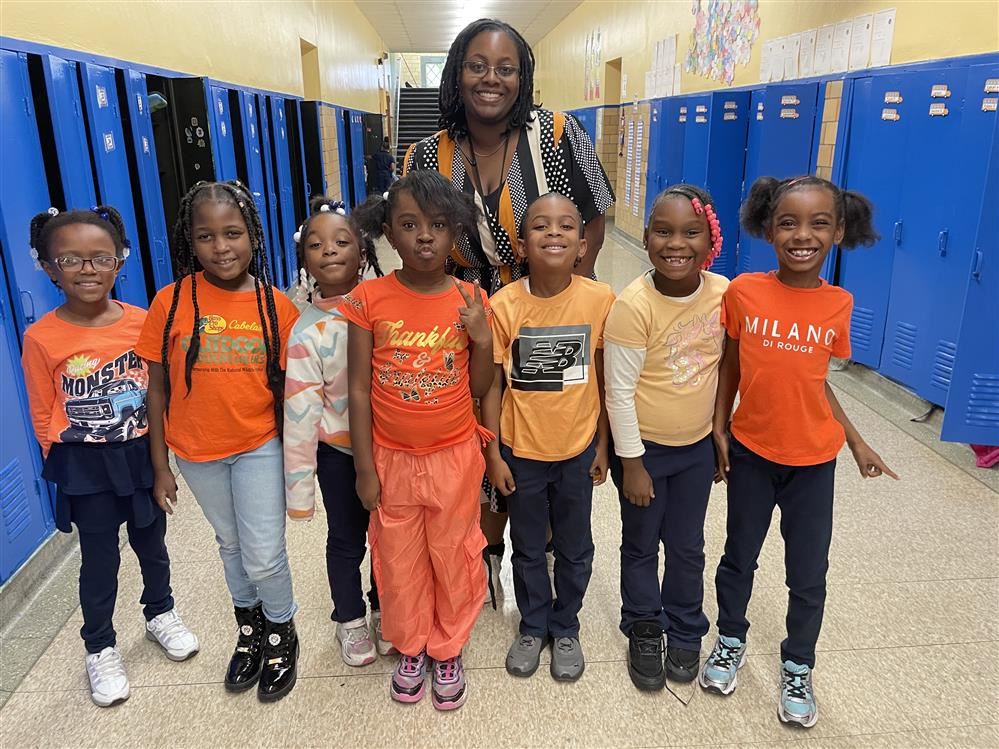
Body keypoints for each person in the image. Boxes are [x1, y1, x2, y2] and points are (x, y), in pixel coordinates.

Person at [403, 17, 615, 599]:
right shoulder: (426, 152)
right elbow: (413, 230)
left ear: (522, 77)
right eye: (477, 66)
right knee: (479, 430)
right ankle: (488, 549)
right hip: (463, 313)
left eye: (505, 68)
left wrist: (572, 286)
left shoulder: (559, 133)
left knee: (544, 425)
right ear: (457, 73)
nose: (490, 79)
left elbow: (594, 215)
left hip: (546, 307)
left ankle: (537, 548)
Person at [701, 175, 899, 728]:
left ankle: (798, 665)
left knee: (808, 571)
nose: (802, 234)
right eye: (788, 222)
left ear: (838, 231)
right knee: (739, 555)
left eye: (818, 223)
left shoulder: (839, 303)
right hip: (752, 452)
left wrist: (856, 441)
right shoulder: (744, 291)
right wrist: (720, 427)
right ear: (768, 227)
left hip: (814, 462)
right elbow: (731, 365)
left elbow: (816, 381)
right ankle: (731, 639)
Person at [21, 206, 199, 708]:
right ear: (49, 268)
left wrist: (164, 462)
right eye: (71, 259)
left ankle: (160, 612)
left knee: (152, 544)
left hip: (140, 456)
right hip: (85, 467)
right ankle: (99, 646)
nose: (87, 269)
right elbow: (41, 409)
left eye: (100, 258)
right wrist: (57, 463)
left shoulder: (142, 323)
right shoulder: (41, 337)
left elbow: (160, 396)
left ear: (119, 262)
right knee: (98, 559)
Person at [136, 180, 301, 702]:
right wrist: (160, 465)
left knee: (265, 553)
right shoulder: (171, 301)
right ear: (190, 240)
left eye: (232, 233)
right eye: (206, 236)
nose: (221, 247)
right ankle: (249, 630)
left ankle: (281, 631)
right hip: (195, 450)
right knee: (230, 545)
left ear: (252, 235)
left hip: (259, 443)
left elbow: (293, 394)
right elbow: (156, 387)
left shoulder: (276, 306)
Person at [343, 170, 493, 711]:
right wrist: (364, 468)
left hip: (454, 454)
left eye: (437, 225)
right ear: (386, 230)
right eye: (409, 225)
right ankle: (412, 646)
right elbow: (358, 389)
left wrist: (481, 338)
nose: (424, 236)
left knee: (453, 553)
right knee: (399, 558)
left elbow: (480, 388)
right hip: (391, 458)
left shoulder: (472, 296)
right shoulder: (368, 298)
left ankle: (447, 646)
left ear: (456, 231)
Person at [482, 192, 615, 682]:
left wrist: (603, 446)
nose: (553, 233)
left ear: (583, 244)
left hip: (579, 451)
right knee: (528, 545)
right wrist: (494, 453)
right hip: (522, 454)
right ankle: (533, 625)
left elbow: (604, 378)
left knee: (576, 546)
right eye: (540, 226)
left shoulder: (600, 300)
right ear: (521, 243)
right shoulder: (504, 305)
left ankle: (566, 626)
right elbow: (493, 385)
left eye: (566, 226)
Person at [604, 185, 729, 692]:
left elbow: (729, 371)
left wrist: (719, 432)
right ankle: (643, 624)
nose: (676, 243)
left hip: (696, 449)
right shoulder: (634, 306)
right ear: (647, 235)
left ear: (710, 238)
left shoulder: (724, 294)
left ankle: (685, 625)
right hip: (644, 451)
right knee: (640, 544)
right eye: (663, 231)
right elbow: (618, 393)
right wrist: (631, 462)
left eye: (691, 232)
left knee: (687, 545)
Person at [284, 197, 393, 666]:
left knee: (389, 539)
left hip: (392, 449)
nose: (329, 250)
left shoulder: (386, 310)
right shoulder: (305, 332)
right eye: (316, 244)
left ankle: (388, 608)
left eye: (342, 241)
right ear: (304, 259)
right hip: (339, 454)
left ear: (363, 253)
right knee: (347, 540)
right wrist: (299, 493)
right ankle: (349, 619)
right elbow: (300, 415)